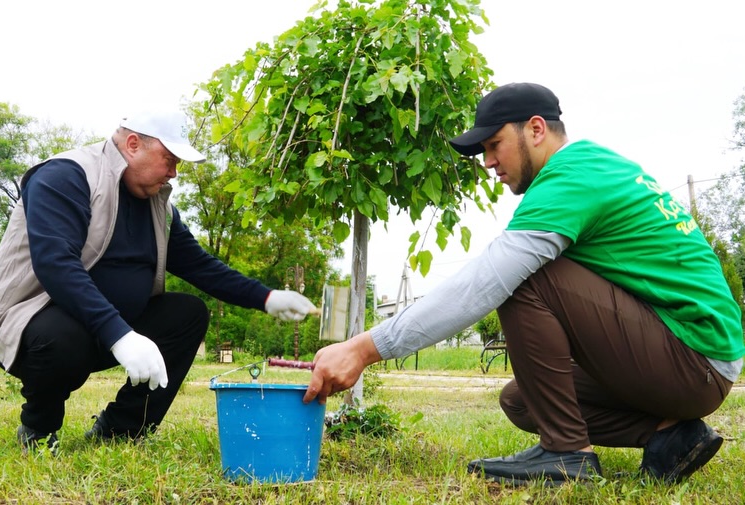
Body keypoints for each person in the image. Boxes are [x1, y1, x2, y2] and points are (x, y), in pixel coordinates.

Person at [304, 83, 744, 485]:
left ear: (536, 129)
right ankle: (671, 435)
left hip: (694, 356)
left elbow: (485, 282)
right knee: (524, 401)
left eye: (494, 145)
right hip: (690, 362)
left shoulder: (571, 177)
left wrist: (363, 348)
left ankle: (567, 455)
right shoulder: (594, 165)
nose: (488, 162)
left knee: (520, 277)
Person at [0, 107, 316, 453]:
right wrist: (119, 335)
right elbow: (56, 264)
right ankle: (39, 428)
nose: (174, 173)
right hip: (29, 321)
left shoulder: (157, 204)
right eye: (169, 159)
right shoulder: (67, 176)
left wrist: (267, 297)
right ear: (133, 144)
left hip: (106, 329)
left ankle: (121, 430)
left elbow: (199, 264)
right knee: (64, 337)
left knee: (188, 314)